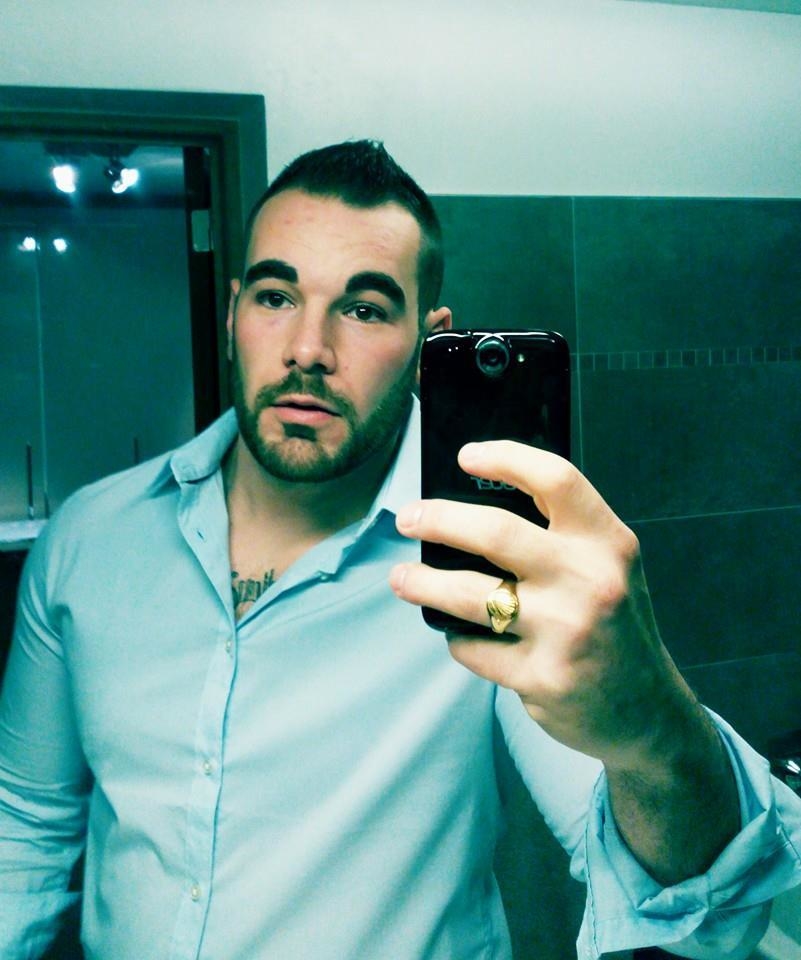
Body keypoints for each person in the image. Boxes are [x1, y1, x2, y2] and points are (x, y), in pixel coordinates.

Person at [1, 140, 799, 960]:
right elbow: (24, 825)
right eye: (275, 296)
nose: (307, 348)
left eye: (364, 309)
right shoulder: (87, 540)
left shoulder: (492, 563)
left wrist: (653, 730)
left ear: (427, 341)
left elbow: (705, 917)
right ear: (233, 313)